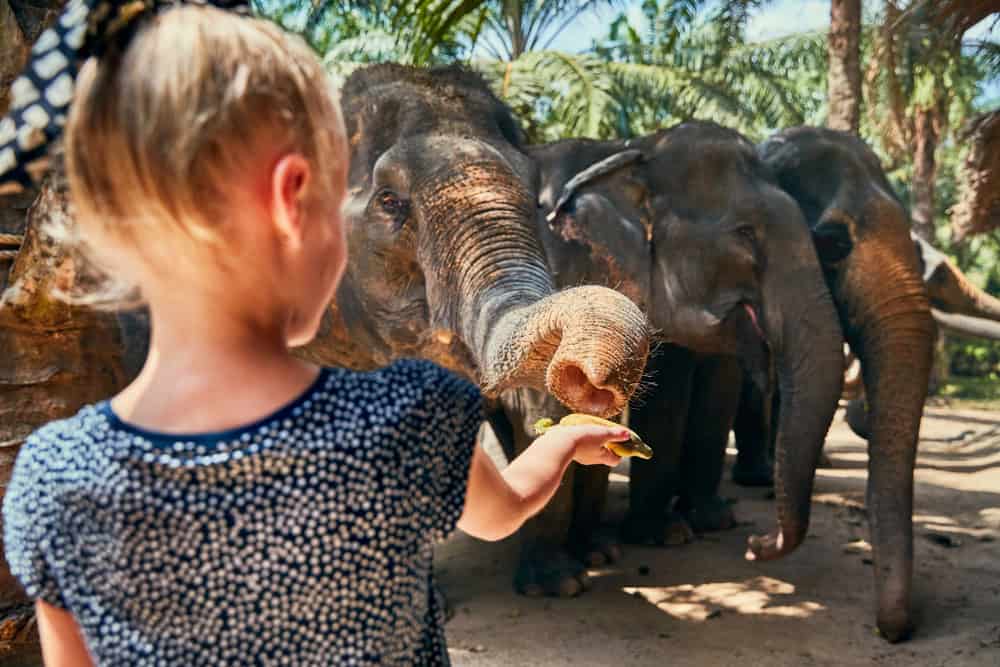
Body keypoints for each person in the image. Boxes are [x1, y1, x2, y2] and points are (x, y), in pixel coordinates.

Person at [0, 4, 629, 666]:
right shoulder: (410, 413)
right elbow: (504, 509)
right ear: (292, 198)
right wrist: (561, 442)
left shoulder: (52, 477)